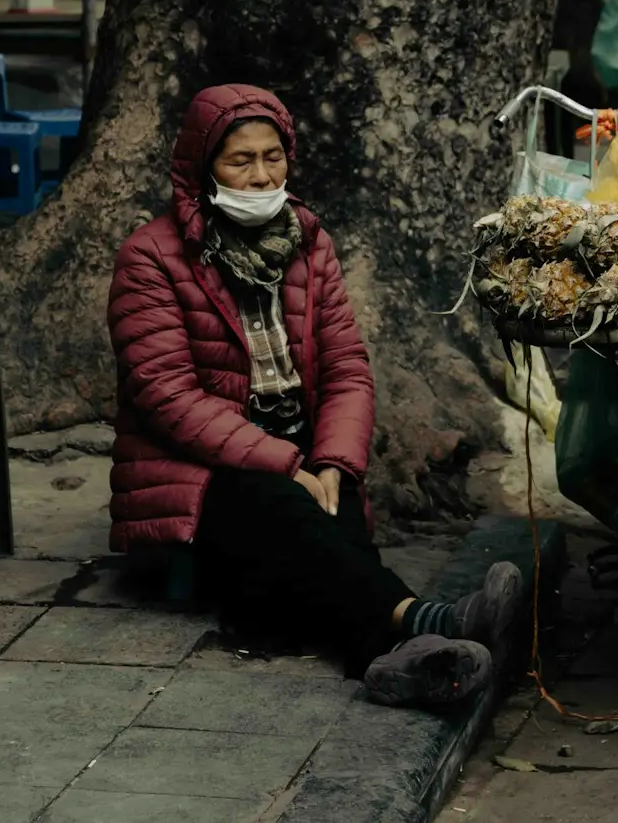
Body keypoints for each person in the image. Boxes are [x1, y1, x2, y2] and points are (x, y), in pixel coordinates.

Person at [107, 84, 523, 709]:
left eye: (273, 157)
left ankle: (396, 659)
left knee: (334, 521)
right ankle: (434, 620)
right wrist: (287, 465)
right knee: (287, 509)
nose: (259, 176)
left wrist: (331, 462)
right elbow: (168, 398)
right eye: (238, 160)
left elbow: (347, 367)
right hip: (199, 465)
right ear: (201, 167)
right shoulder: (150, 258)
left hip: (298, 446)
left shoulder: (308, 241)